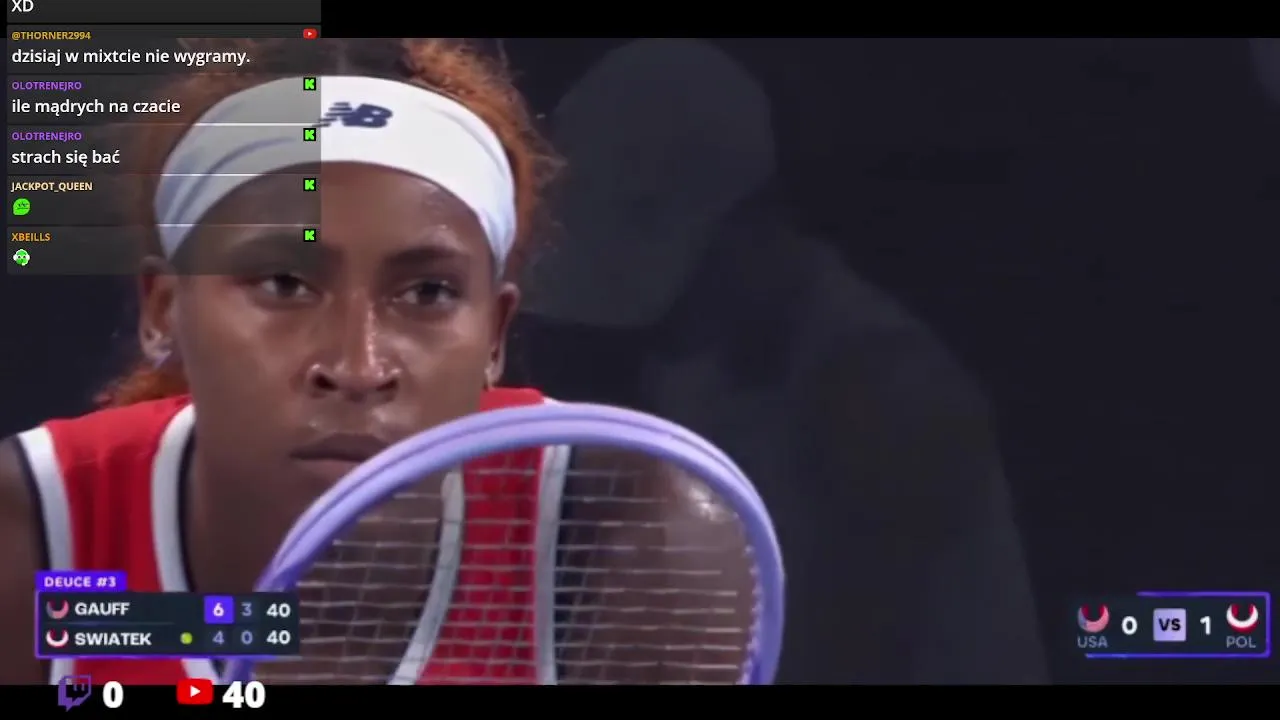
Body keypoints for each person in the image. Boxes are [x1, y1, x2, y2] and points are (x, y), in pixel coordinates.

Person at [0, 39, 753, 686]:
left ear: (495, 334)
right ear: (164, 311)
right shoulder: (29, 529)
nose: (357, 367)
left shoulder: (636, 543)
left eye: (427, 292)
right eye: (283, 283)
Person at [511, 38, 1047, 683]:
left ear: (748, 225)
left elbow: (845, 658)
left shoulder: (889, 391)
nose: (654, 317)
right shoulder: (684, 355)